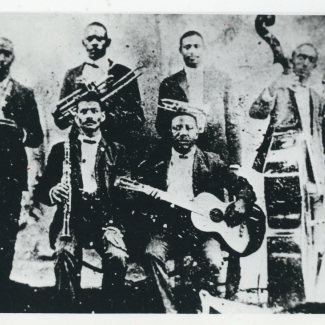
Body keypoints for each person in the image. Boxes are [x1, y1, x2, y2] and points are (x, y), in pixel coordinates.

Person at [133, 106, 265, 313]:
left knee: (213, 260)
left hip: (204, 233)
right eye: (177, 128)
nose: (183, 132)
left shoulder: (211, 161)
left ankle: (202, 308)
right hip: (168, 229)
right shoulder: (156, 163)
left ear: (197, 131)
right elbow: (140, 201)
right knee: (151, 254)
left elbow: (244, 187)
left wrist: (240, 203)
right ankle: (169, 312)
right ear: (170, 132)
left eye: (188, 127)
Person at [34, 91, 130, 312]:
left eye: (94, 111)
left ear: (102, 116)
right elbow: (41, 189)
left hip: (106, 219)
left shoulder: (117, 150)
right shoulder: (61, 149)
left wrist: (116, 225)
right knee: (63, 254)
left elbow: (127, 195)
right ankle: (70, 311)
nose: (89, 116)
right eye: (83, 111)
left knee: (117, 256)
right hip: (72, 219)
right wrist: (53, 191)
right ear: (76, 117)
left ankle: (110, 311)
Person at [249, 43, 325, 302]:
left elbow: (319, 138)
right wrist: (272, 86)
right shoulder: (279, 90)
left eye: (310, 59)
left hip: (313, 171)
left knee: (315, 232)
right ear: (292, 59)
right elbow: (256, 112)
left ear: (315, 66)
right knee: (283, 229)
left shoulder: (317, 97)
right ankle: (285, 295)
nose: (304, 62)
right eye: (300, 56)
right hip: (284, 168)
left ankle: (310, 294)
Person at [53, 22, 145, 158]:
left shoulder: (123, 73)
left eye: (99, 39)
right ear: (83, 42)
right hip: (79, 147)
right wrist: (59, 115)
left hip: (115, 147)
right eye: (90, 39)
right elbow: (61, 123)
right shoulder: (72, 75)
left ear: (107, 42)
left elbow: (137, 119)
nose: (94, 43)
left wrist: (104, 103)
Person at [0, 37, 44, 311]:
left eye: (4, 53)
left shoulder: (23, 93)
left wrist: (16, 130)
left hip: (10, 175)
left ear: (12, 58)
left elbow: (36, 136)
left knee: (6, 232)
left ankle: (3, 285)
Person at [155, 30, 241, 167]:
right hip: (181, 153)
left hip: (216, 151)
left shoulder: (222, 79)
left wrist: (235, 161)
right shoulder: (168, 83)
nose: (192, 51)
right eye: (187, 47)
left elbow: (232, 121)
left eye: (197, 46)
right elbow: (161, 125)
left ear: (204, 49)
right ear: (180, 50)